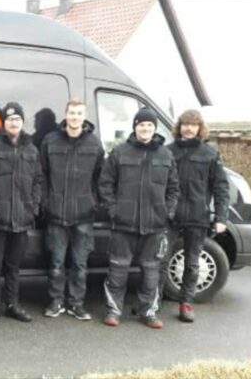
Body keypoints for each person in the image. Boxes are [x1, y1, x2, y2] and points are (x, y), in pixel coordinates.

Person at [99, 107, 179, 329]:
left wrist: (167, 212)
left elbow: (174, 189)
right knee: (117, 269)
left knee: (151, 272)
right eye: (141, 125)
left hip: (154, 225)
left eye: (149, 125)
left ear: (154, 129)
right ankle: (113, 311)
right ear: (135, 127)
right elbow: (105, 184)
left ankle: (149, 312)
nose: (145, 129)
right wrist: (114, 210)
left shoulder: (166, 155)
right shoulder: (120, 152)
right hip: (123, 225)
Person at [39, 99, 104, 321]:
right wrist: (46, 202)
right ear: (65, 115)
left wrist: (93, 201)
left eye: (79, 113)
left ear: (84, 116)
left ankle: (76, 304)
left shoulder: (94, 144)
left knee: (79, 264)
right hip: (56, 214)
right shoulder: (50, 141)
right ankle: (56, 302)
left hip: (84, 215)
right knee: (56, 264)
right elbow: (42, 175)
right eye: (71, 113)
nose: (75, 117)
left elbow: (100, 177)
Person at [0, 102, 43, 323]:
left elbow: (38, 181)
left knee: (14, 267)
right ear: (4, 123)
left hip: (22, 219)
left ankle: (13, 305)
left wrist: (33, 208)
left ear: (22, 122)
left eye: (17, 119)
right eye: (9, 120)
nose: (13, 123)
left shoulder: (32, 149)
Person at [167, 109, 229, 323]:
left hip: (197, 216)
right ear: (180, 127)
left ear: (200, 128)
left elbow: (221, 188)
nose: (189, 128)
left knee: (192, 264)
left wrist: (221, 218)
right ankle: (152, 303)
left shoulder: (210, 154)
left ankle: (186, 303)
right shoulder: (168, 151)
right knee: (159, 260)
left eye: (193, 124)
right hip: (170, 217)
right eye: (185, 124)